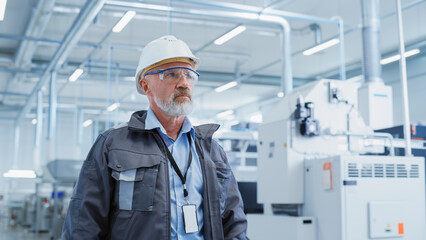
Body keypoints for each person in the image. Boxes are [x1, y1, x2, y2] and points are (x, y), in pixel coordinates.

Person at [62, 35, 248, 239]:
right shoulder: (113, 145)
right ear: (145, 86)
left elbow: (233, 221)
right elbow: (83, 224)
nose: (183, 83)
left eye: (189, 75)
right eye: (171, 75)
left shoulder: (212, 151)